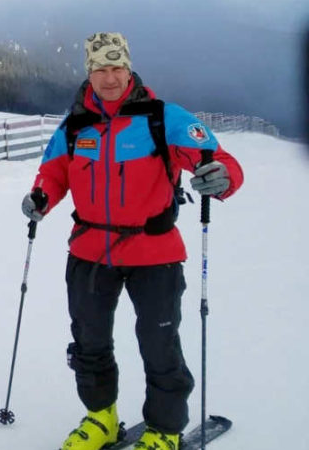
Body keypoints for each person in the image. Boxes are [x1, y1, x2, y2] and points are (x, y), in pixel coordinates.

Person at [21, 32, 244, 450]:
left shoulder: (164, 118)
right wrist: (40, 197)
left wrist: (223, 177)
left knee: (159, 345)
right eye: (100, 69)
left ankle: (163, 430)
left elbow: (217, 159)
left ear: (129, 68)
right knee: (89, 342)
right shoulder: (75, 126)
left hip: (153, 252)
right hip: (88, 250)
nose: (109, 77)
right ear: (89, 72)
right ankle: (101, 418)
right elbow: (53, 174)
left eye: (116, 67)